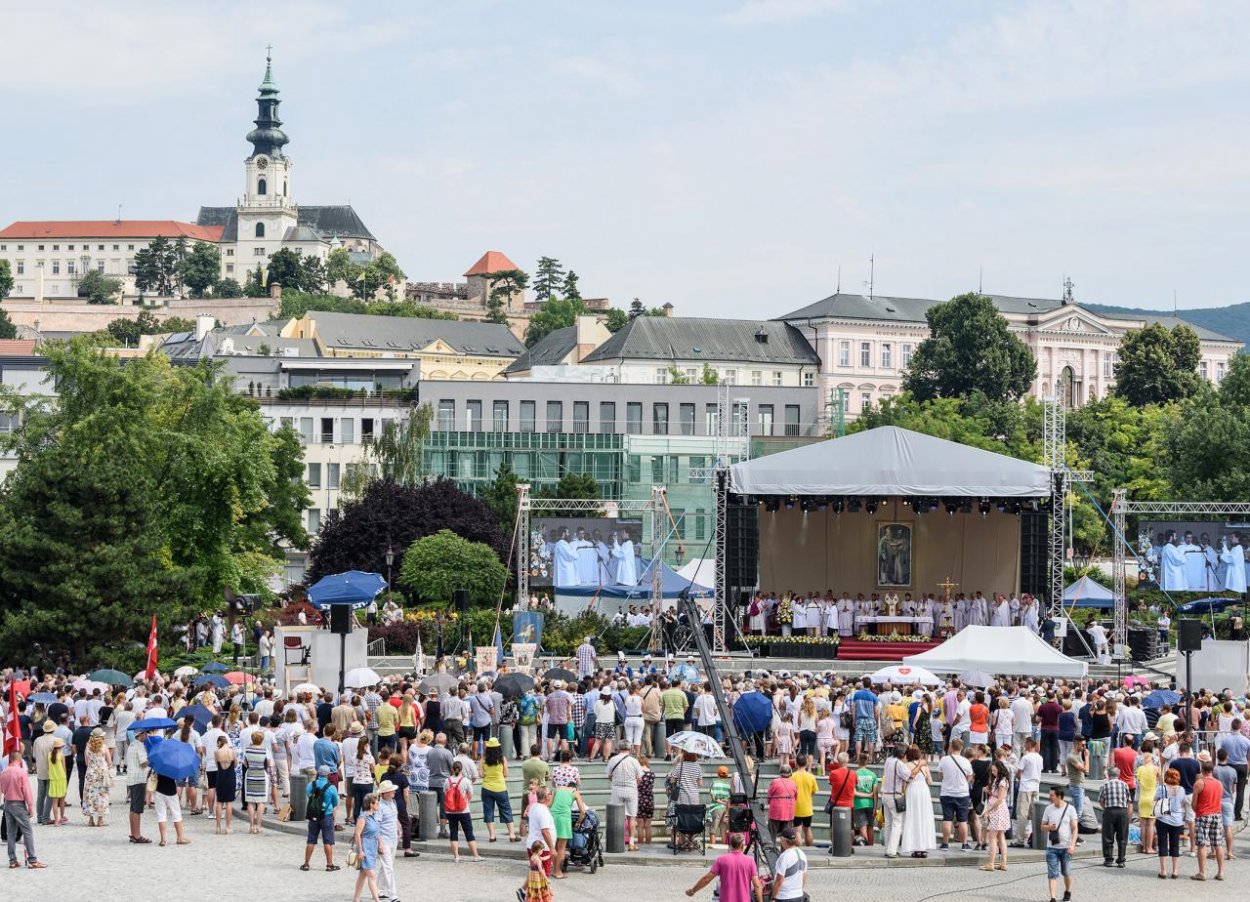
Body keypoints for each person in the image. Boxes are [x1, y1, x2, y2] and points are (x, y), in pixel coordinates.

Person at [684, 833, 764, 902]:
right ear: (742, 846)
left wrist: (693, 890)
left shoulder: (722, 860)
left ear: (731, 845)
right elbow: (757, 885)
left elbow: (706, 879)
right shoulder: (750, 861)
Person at [1, 750, 44, 869]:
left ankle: (12, 860)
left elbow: (2, 789)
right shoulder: (21, 772)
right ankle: (32, 860)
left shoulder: (3, 772)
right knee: (27, 831)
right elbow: (27, 791)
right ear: (19, 759)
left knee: (11, 833)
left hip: (8, 803)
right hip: (18, 804)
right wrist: (30, 807)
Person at [1041, 785, 1078, 902]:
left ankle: (1068, 890)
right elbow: (1042, 827)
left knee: (1066, 873)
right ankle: (1053, 897)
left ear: (1059, 796)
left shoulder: (1070, 809)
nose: (1050, 797)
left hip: (1066, 847)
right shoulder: (1048, 809)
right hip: (1051, 847)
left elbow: (1075, 828)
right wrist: (1049, 827)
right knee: (1052, 873)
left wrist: (1072, 845)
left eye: (1052, 795)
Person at [1192, 759, 1226, 881]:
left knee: (1202, 844)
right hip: (1217, 815)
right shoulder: (1219, 783)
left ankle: (1202, 873)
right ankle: (1221, 872)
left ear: (1202, 770)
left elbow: (1194, 803)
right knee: (1218, 844)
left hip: (1203, 815)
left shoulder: (1199, 783)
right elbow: (1219, 798)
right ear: (1212, 770)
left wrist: (1197, 812)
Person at [302, 764, 341, 872]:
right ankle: (329, 864)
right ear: (328, 774)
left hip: (313, 815)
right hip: (326, 815)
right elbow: (335, 803)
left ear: (318, 773)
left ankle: (306, 864)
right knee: (328, 841)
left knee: (311, 839)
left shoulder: (311, 785)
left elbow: (309, 796)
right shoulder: (331, 788)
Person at [937, 738, 973, 851]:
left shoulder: (944, 760)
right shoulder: (966, 761)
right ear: (961, 748)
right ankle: (964, 844)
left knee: (947, 819)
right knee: (963, 820)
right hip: (962, 793)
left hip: (946, 793)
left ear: (951, 747)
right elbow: (970, 778)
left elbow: (939, 777)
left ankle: (945, 843)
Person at [900, 745, 935, 858]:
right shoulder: (924, 765)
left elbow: (906, 779)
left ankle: (915, 847)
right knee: (924, 817)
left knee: (913, 817)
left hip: (912, 790)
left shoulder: (907, 765)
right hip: (924, 791)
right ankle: (923, 847)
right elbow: (930, 781)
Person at [606, 743, 643, 850]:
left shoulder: (613, 760)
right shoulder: (634, 761)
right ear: (630, 749)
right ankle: (631, 842)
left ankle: (618, 841)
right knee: (632, 817)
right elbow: (639, 777)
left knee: (617, 816)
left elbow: (609, 775)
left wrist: (615, 781)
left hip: (617, 789)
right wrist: (635, 785)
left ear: (619, 748)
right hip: (631, 789)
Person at [481, 738, 518, 843]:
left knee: (488, 811)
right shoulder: (502, 759)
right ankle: (512, 835)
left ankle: (492, 836)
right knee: (506, 810)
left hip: (486, 788)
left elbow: (481, 774)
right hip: (500, 788)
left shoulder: (483, 759)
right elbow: (506, 774)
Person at [445, 760, 482, 862]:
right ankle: (475, 856)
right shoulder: (465, 780)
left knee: (453, 832)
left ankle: (456, 856)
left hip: (450, 811)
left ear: (452, 769)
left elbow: (445, 793)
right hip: (463, 811)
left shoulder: (447, 780)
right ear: (461, 769)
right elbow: (470, 794)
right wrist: (466, 802)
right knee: (469, 832)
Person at [980, 759, 1011, 872]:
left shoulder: (1002, 781)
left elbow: (999, 799)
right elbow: (996, 795)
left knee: (992, 837)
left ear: (1000, 769)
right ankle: (1003, 863)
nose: (993, 773)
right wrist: (988, 790)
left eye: (995, 770)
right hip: (998, 810)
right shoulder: (999, 780)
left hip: (997, 810)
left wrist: (988, 811)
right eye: (992, 771)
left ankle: (991, 863)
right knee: (1000, 837)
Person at [351, 792, 382, 902]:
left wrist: (380, 844)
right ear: (371, 804)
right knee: (372, 875)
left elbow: (377, 832)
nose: (378, 805)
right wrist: (360, 851)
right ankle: (377, 899)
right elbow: (357, 834)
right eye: (377, 803)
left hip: (372, 847)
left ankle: (356, 898)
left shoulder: (374, 817)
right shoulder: (363, 817)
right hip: (365, 847)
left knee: (363, 874)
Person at [1012, 737, 1043, 847]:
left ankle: (1019, 840)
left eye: (1026, 743)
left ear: (1030, 744)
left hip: (1025, 787)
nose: (1024, 745)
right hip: (1036, 787)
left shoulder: (1026, 757)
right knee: (1034, 814)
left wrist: (1021, 779)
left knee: (1022, 814)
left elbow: (1018, 772)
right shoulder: (1039, 757)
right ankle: (1035, 837)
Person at [1155, 767, 1185, 879]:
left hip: (1163, 818)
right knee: (1175, 844)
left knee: (1162, 844)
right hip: (1177, 820)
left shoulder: (1161, 788)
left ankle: (1163, 871)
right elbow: (1182, 802)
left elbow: (1155, 798)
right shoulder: (1181, 789)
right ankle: (1175, 871)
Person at [242, 729, 272, 835]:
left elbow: (245, 763)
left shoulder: (247, 750)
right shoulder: (265, 751)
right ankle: (259, 826)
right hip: (261, 775)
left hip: (250, 774)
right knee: (261, 802)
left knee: (250, 801)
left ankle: (251, 826)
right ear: (262, 740)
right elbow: (269, 764)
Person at [1098, 770, 1130, 868]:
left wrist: (1106, 808)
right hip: (1122, 811)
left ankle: (1108, 860)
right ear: (1119, 774)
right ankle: (1121, 860)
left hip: (1109, 811)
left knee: (1108, 837)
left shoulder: (1104, 785)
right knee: (1122, 837)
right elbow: (1128, 800)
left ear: (1108, 775)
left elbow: (1101, 801)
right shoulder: (1124, 785)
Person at [375, 780, 400, 901]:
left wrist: (399, 828)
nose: (394, 792)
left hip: (393, 838)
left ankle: (378, 890)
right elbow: (376, 826)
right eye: (391, 791)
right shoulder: (379, 807)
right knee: (389, 867)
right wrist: (379, 842)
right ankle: (393, 895)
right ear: (384, 793)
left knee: (386, 866)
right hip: (384, 840)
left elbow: (395, 818)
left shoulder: (392, 803)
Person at [81, 728, 111, 827]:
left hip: (90, 774)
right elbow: (109, 761)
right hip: (102, 774)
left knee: (90, 796)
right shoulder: (104, 747)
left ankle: (91, 820)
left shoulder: (88, 747)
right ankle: (100, 820)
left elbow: (86, 762)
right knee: (102, 796)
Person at [771, 826, 808, 902]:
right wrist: (800, 891)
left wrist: (773, 898)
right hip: (798, 895)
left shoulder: (784, 856)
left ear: (784, 840)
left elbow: (779, 880)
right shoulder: (802, 854)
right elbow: (804, 876)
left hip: (785, 896)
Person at [851, 752, 878, 847]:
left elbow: (853, 792)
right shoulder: (873, 775)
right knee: (870, 827)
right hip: (870, 804)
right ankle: (870, 846)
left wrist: (866, 796)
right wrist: (875, 808)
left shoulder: (854, 774)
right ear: (867, 762)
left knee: (862, 827)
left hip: (859, 804)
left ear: (858, 761)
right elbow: (875, 793)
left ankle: (865, 847)